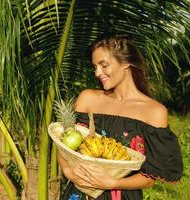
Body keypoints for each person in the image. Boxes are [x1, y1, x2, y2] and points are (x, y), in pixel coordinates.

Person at [58, 34, 183, 200]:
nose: (97, 72)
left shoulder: (154, 112)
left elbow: (149, 179)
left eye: (104, 65)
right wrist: (69, 172)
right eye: (95, 67)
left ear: (126, 63)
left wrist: (112, 182)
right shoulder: (88, 98)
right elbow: (64, 143)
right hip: (79, 194)